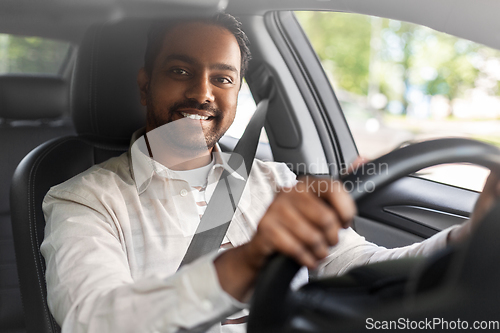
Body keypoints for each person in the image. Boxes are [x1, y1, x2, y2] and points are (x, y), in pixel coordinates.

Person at [41, 13, 500, 333]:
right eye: (180, 70)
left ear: (237, 93)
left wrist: (469, 235)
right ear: (146, 85)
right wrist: (248, 261)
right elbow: (93, 320)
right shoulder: (84, 198)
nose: (202, 93)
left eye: (222, 79)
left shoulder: (275, 181)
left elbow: (356, 266)